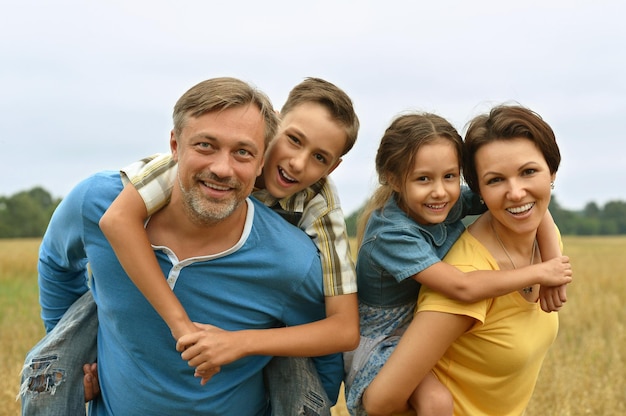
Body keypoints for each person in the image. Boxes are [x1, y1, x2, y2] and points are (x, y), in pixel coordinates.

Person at [20, 77, 343, 416]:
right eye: (205, 145)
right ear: (175, 145)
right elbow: (56, 263)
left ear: (262, 161)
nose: (221, 168)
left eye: (243, 152)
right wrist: (77, 358)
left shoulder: (293, 260)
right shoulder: (97, 201)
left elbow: (323, 360)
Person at [98, 77, 360, 379]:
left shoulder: (320, 204)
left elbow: (344, 328)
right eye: (294, 139)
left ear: (332, 168)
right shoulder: (201, 162)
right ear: (274, 123)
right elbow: (117, 219)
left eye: (319, 157)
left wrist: (241, 342)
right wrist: (183, 328)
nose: (299, 163)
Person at [344, 111, 572, 415]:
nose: (439, 190)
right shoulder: (392, 234)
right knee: (436, 402)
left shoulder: (446, 200)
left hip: (413, 322)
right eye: (423, 178)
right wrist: (542, 271)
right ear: (393, 179)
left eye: (450, 176)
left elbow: (522, 203)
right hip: (381, 337)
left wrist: (552, 260)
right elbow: (462, 285)